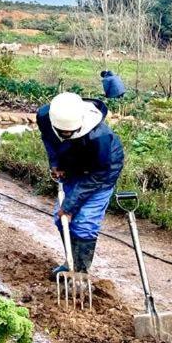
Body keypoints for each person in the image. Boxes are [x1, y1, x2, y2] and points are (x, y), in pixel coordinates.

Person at [36, 92, 124, 277]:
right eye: (63, 133)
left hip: (100, 173)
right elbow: (48, 140)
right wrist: (55, 163)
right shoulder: (44, 117)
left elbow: (97, 174)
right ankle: (71, 263)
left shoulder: (100, 136)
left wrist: (69, 206)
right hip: (72, 166)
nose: (66, 135)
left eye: (71, 133)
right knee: (62, 220)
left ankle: (81, 272)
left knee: (84, 222)